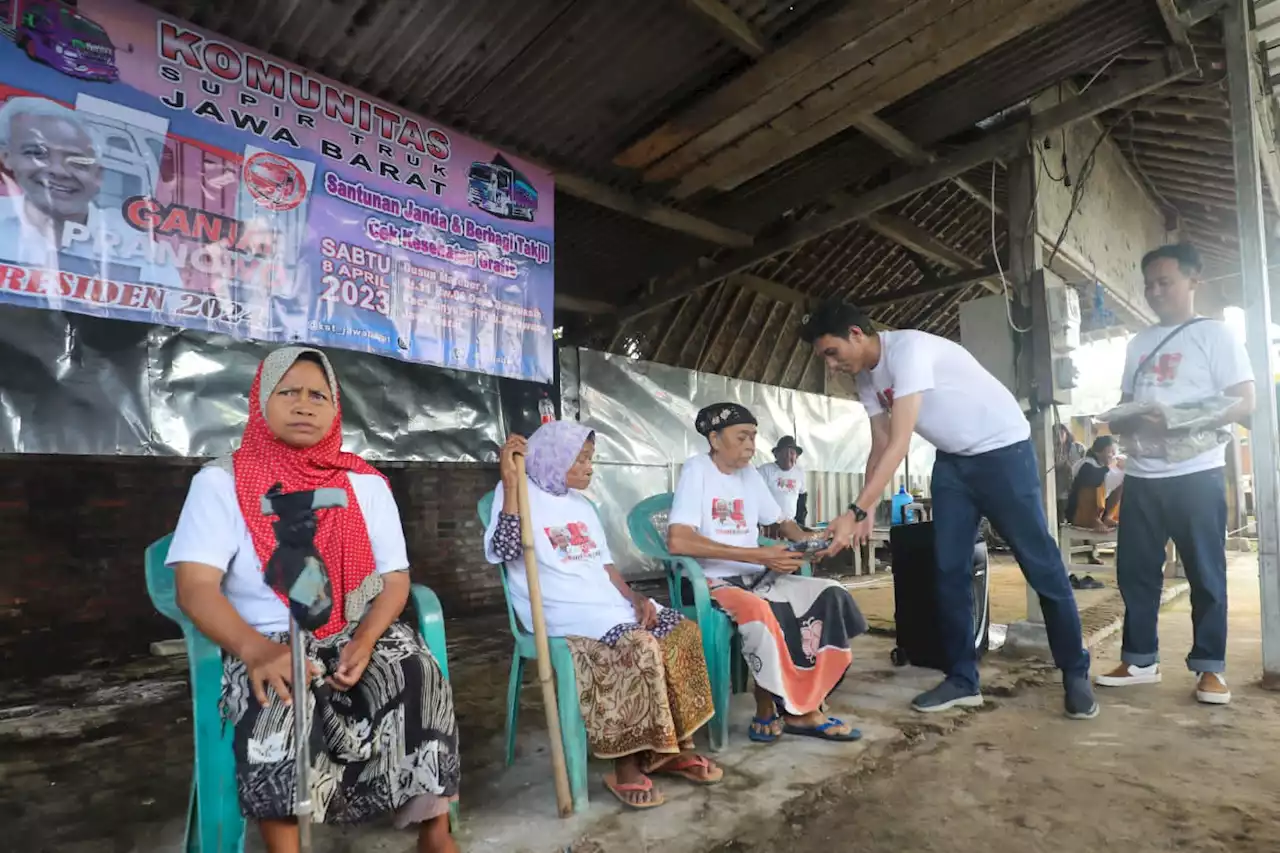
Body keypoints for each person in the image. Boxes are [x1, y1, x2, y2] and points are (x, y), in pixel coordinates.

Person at [167, 346, 460, 853]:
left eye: (318, 396)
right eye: (289, 392)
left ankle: (434, 833)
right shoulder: (220, 481)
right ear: (261, 401)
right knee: (278, 702)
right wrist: (256, 650)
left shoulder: (364, 484)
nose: (304, 405)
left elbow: (395, 580)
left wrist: (367, 640)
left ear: (335, 409)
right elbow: (194, 586)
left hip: (350, 626)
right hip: (263, 635)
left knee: (416, 669)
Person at [800, 300, 1097, 720]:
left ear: (855, 334)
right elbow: (880, 443)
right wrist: (862, 510)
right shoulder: (865, 379)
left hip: (1003, 453)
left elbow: (901, 441)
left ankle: (1074, 670)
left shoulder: (910, 351)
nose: (831, 365)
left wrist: (854, 509)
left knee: (1040, 563)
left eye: (832, 352)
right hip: (954, 463)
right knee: (948, 569)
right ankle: (962, 678)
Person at [483, 421, 722, 810]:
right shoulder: (516, 494)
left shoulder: (582, 506)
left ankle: (668, 749)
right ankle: (624, 765)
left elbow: (606, 567)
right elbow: (507, 549)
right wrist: (510, 484)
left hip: (606, 604)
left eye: (590, 460)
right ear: (553, 459)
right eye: (581, 459)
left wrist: (635, 599)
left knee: (680, 632)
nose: (589, 468)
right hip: (561, 609)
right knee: (637, 646)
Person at [1096, 243, 1254, 705]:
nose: (1155, 291)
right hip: (1143, 474)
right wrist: (1122, 418)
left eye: (1165, 282)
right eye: (1149, 284)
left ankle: (1210, 669)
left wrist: (1178, 419)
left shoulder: (1217, 336)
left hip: (1196, 472)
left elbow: (1244, 401)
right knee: (1136, 573)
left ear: (1192, 282)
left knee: (1206, 573)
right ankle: (1140, 658)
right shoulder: (1138, 343)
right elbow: (1128, 398)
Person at [666, 403, 868, 743]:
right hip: (713, 583)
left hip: (757, 577)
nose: (751, 445)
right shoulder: (697, 470)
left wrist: (814, 542)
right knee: (763, 610)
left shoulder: (750, 475)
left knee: (831, 593)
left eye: (754, 437)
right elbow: (678, 539)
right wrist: (758, 554)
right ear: (714, 439)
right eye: (742, 437)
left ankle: (806, 699)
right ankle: (784, 710)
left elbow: (782, 523)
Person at [0, 96, 183, 288]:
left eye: (78, 161)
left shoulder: (141, 252)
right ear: (7, 158)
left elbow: (175, 313)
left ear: (98, 175)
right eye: (36, 153)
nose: (59, 170)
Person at [1065, 435, 1123, 532]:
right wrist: (1109, 467)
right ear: (1099, 451)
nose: (1113, 455)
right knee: (1092, 486)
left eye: (1115, 452)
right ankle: (1093, 519)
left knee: (1121, 483)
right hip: (1079, 513)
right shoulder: (1086, 463)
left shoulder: (1102, 465)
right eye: (1111, 452)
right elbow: (1092, 479)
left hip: (1098, 513)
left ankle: (1107, 517)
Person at [758, 435, 809, 527]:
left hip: (790, 525)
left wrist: (800, 523)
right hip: (769, 525)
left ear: (796, 456)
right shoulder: (765, 471)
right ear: (776, 455)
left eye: (792, 453)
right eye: (784, 452)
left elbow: (802, 500)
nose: (788, 456)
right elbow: (756, 498)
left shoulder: (800, 472)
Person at [1054, 424, 1087, 523]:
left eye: (1061, 432)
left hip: (1076, 487)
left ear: (1066, 433)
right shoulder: (1052, 451)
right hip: (1060, 490)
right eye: (1055, 434)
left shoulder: (1078, 448)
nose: (1058, 436)